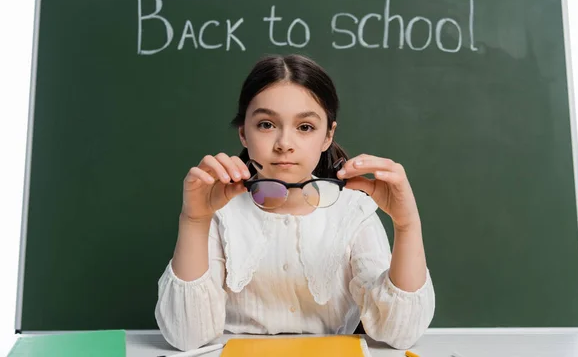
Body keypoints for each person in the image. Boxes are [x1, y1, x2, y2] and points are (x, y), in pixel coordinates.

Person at [155, 54, 435, 351]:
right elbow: (186, 337)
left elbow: (399, 334)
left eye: (305, 127)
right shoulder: (219, 210)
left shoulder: (353, 211)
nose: (284, 143)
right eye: (266, 124)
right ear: (243, 134)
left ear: (328, 135)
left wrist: (407, 225)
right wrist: (194, 220)